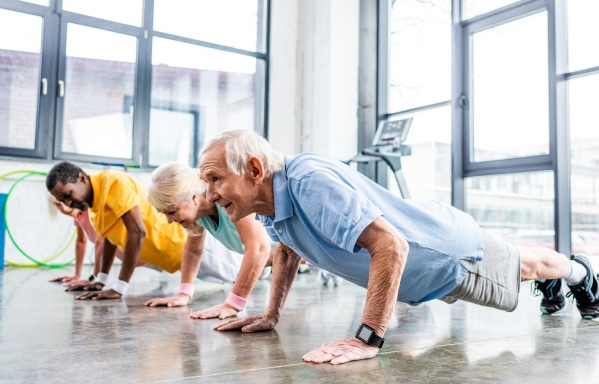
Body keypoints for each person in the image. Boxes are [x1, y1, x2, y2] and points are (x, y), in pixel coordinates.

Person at [197, 129, 599, 365]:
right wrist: (271, 314)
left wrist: (366, 339)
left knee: (524, 266)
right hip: (424, 265)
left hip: (444, 256)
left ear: (253, 169)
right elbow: (285, 250)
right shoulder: (271, 200)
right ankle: (556, 281)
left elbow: (391, 246)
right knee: (522, 262)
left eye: (215, 179)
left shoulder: (307, 182)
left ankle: (581, 273)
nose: (210, 195)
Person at [45, 161, 259, 319]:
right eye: (61, 200)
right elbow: (109, 239)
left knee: (251, 271)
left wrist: (119, 287)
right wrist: (100, 279)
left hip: (185, 246)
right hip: (174, 257)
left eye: (67, 194)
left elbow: (136, 231)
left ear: (81, 178)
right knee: (244, 270)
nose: (68, 203)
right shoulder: (93, 210)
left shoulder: (112, 182)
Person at [143, 161, 272, 319]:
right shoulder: (198, 216)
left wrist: (233, 304)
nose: (169, 220)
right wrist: (184, 294)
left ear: (193, 197)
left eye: (171, 212)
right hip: (274, 258)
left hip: (293, 249)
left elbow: (259, 249)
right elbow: (193, 251)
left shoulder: (228, 199)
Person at [48, 200, 134, 287]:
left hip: (139, 254)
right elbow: (81, 241)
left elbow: (101, 239)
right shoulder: (78, 215)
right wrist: (77, 275)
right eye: (58, 204)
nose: (65, 208)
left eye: (65, 200)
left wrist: (94, 278)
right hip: (130, 258)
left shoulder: (92, 210)